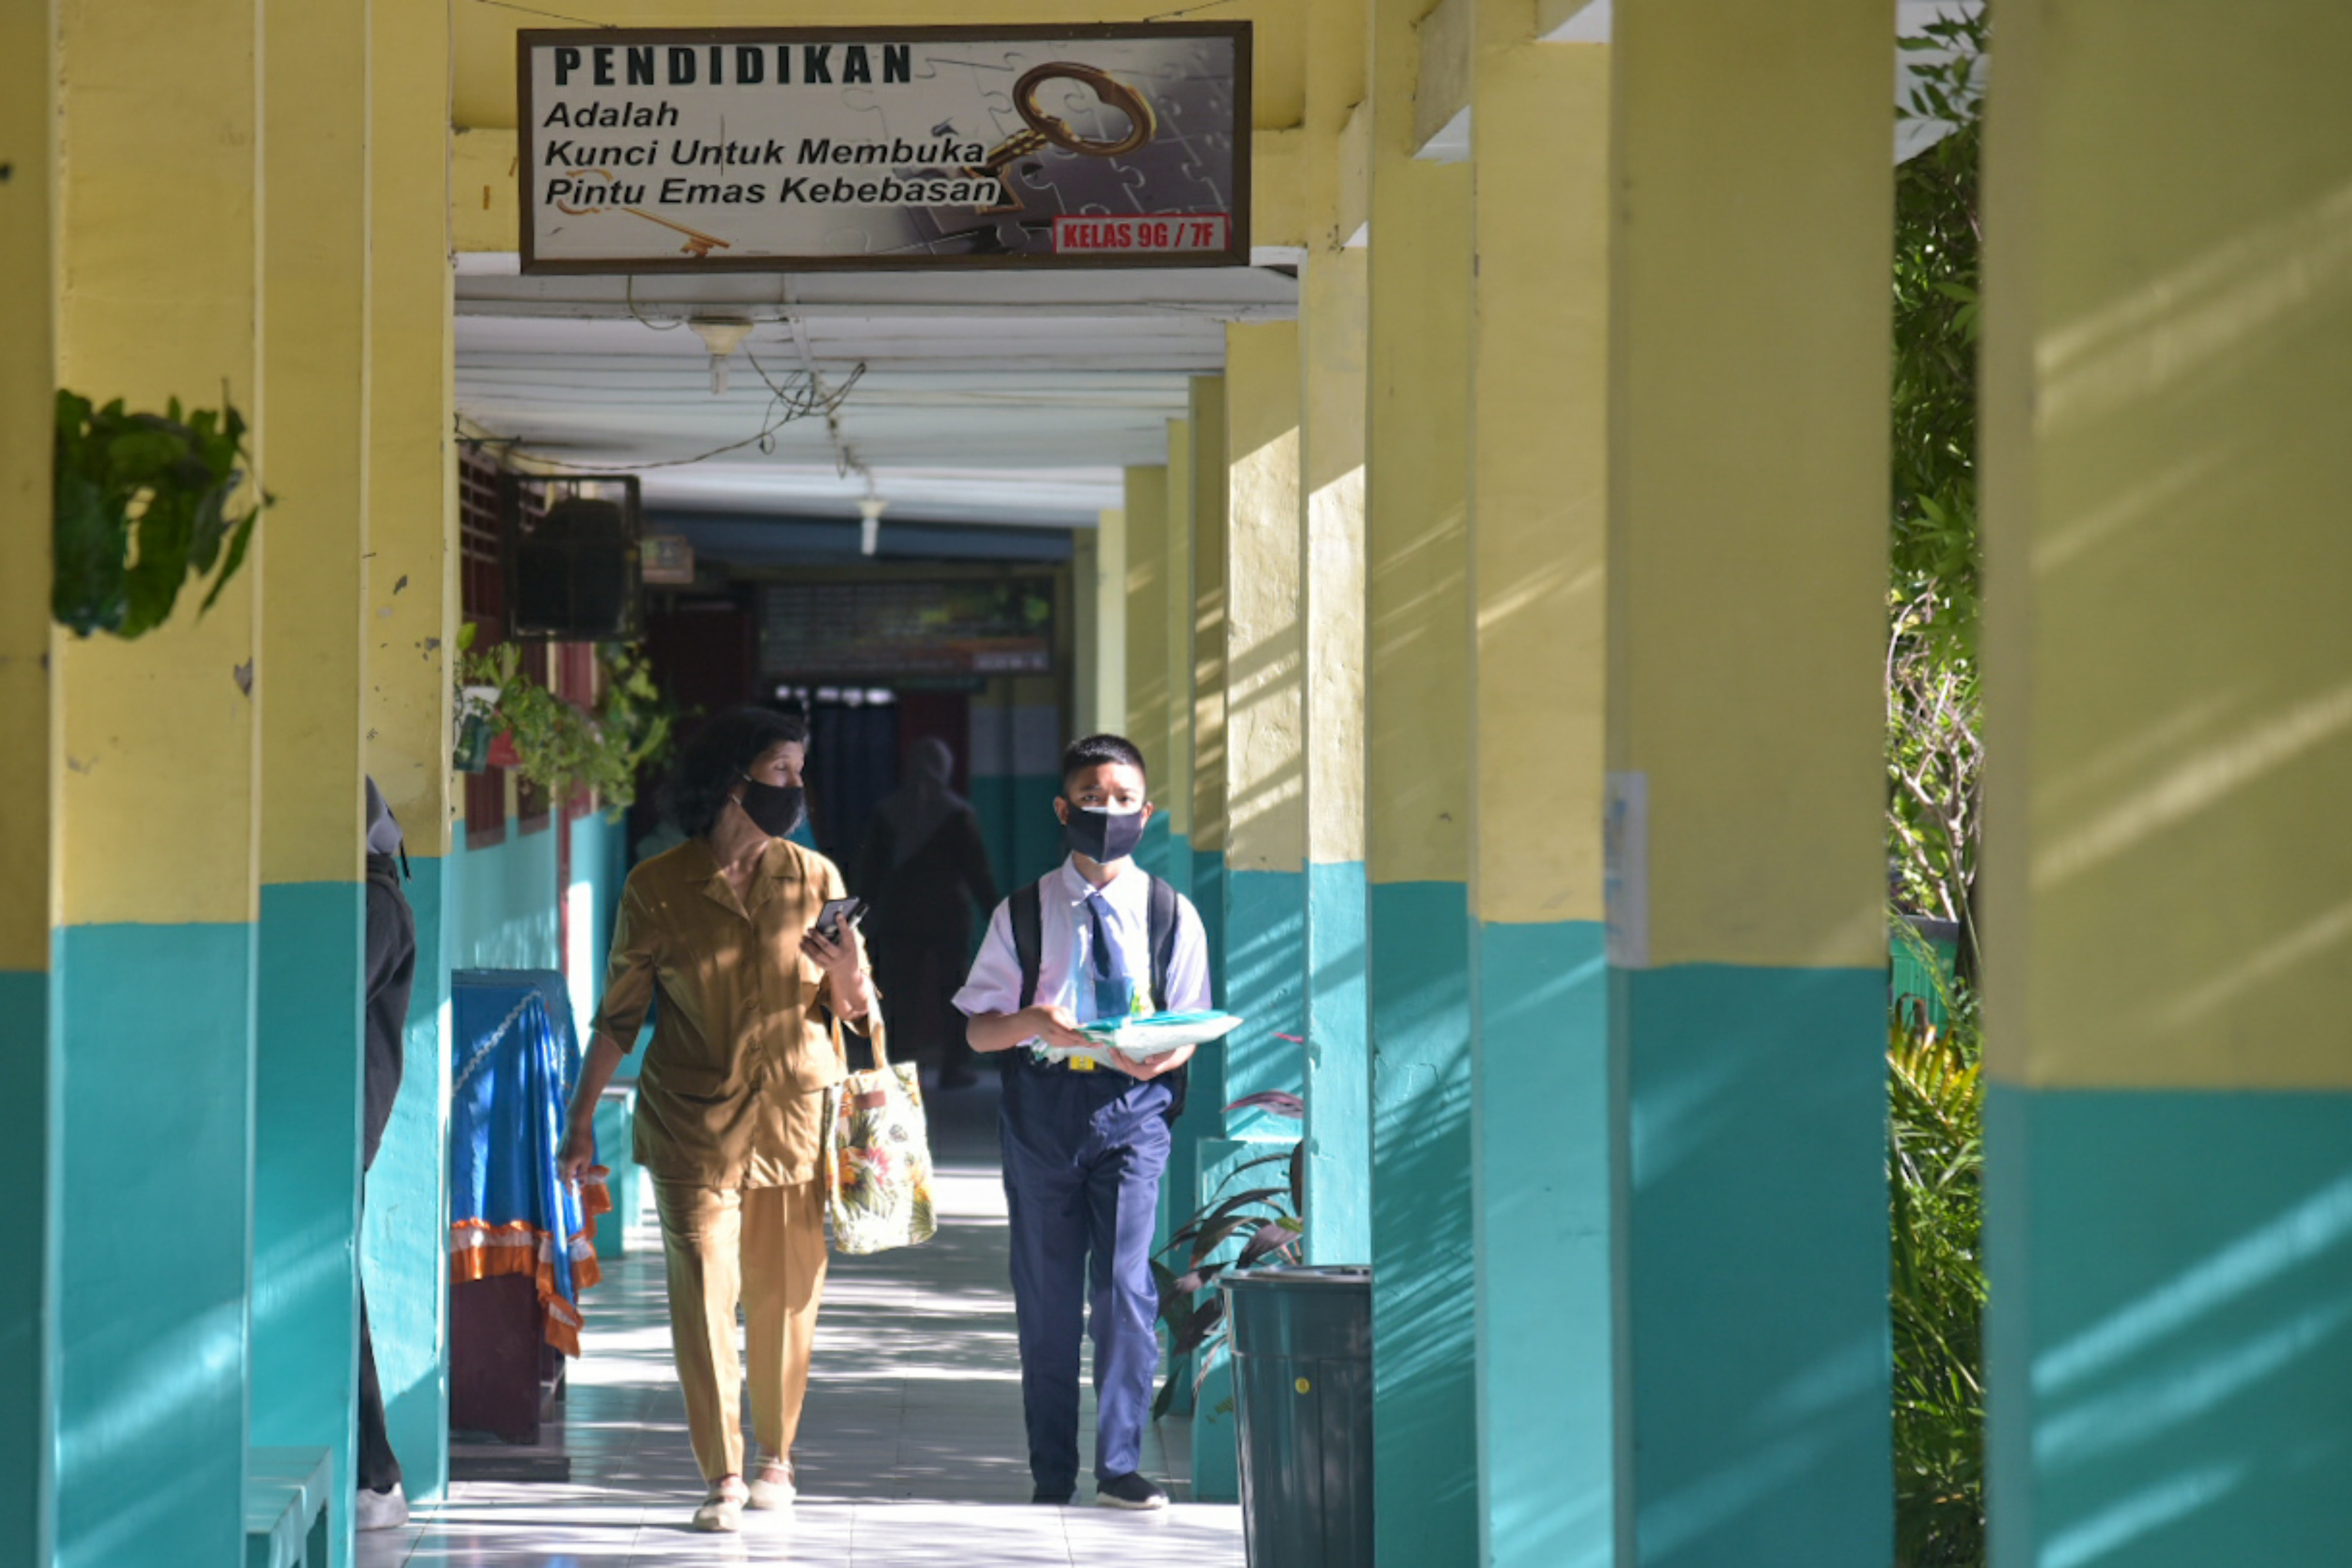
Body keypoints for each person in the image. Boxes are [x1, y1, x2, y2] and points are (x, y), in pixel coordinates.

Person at [559, 707, 876, 1534]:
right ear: (733, 782)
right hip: (692, 1122)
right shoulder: (658, 886)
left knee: (785, 1296)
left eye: (801, 771)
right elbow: (619, 1017)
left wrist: (846, 972)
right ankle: (723, 1471)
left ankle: (778, 1455)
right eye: (782, 771)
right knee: (704, 1291)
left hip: (797, 1116)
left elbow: (857, 1009)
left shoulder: (814, 876)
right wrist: (580, 1118)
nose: (797, 788)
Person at [953, 733, 1212, 1512]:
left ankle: (1122, 1461)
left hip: (1133, 1110)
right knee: (1047, 1291)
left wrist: (1159, 1059)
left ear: (1147, 810)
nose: (1109, 812)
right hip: (1044, 1109)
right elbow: (976, 1029)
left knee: (1126, 1286)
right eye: (1093, 798)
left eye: (1124, 798)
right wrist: (1033, 1020)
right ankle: (1051, 1469)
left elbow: (1191, 1022)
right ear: (1064, 809)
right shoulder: (1025, 911)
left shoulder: (1170, 912)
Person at [854, 737, 999, 1088]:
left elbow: (869, 872)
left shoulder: (888, 812)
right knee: (954, 994)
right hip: (949, 917)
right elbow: (977, 872)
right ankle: (954, 1068)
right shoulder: (958, 813)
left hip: (899, 917)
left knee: (901, 996)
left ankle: (901, 1069)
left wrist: (858, 918)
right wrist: (999, 915)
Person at [357, 779, 416, 1531]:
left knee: (342, 1298)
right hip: (347, 1113)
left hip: (343, 1116)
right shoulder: (371, 896)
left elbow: (328, 994)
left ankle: (378, 1476)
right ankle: (377, 1476)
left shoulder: (374, 906)